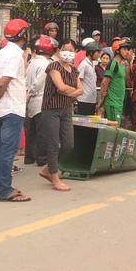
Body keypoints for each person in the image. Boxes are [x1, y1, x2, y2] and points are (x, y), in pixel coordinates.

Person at [0, 19, 32, 202]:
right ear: (22, 35)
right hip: (12, 108)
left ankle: (0, 187)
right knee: (7, 151)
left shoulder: (1, 53)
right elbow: (3, 82)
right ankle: (5, 189)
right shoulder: (15, 55)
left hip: (2, 109)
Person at [38, 39, 83, 192]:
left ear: (75, 52)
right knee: (53, 144)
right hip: (51, 109)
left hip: (66, 109)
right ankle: (55, 178)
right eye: (64, 48)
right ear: (59, 50)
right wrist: (73, 91)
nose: (67, 52)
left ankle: (47, 169)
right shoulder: (53, 66)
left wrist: (70, 91)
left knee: (69, 144)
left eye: (71, 50)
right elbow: (60, 87)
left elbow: (80, 90)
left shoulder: (74, 70)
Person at [25, 35, 56, 165]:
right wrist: (31, 93)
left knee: (31, 131)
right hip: (41, 99)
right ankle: (42, 158)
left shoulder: (32, 62)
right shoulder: (45, 64)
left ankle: (29, 157)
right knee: (42, 132)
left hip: (32, 100)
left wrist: (28, 95)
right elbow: (38, 84)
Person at [97, 38, 133, 125]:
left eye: (128, 49)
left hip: (119, 102)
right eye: (124, 49)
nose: (127, 52)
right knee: (113, 128)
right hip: (112, 103)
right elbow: (104, 82)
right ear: (117, 50)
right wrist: (102, 102)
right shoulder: (113, 63)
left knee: (116, 129)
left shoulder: (121, 65)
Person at [76, 41, 100, 116]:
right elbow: (78, 79)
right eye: (97, 52)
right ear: (91, 53)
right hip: (84, 100)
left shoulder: (92, 64)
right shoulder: (84, 64)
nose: (98, 55)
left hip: (91, 100)